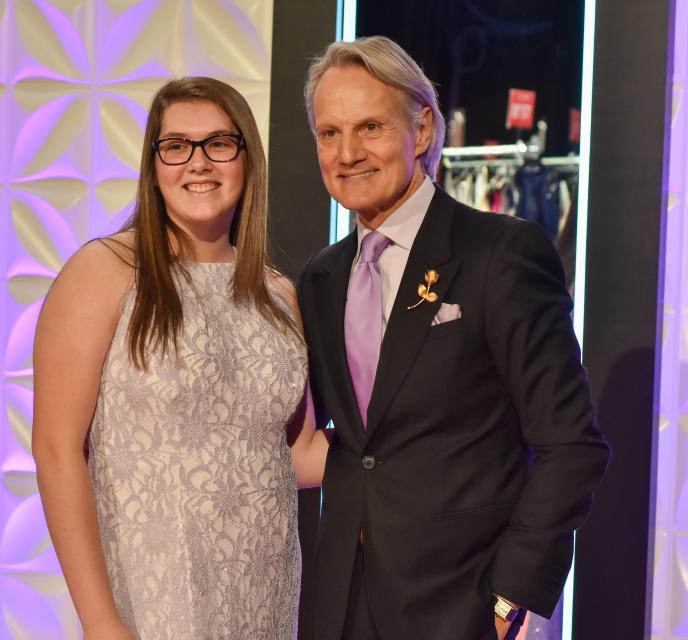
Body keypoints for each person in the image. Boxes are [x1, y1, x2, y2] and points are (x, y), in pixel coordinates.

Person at [295, 37, 610, 640]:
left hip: (464, 603)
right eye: (329, 133)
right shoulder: (320, 277)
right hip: (341, 603)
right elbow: (344, 443)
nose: (348, 152)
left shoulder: (499, 254)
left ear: (419, 131)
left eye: (369, 127)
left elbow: (572, 445)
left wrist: (517, 590)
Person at [32, 76, 329, 640]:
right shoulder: (102, 273)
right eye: (176, 146)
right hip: (153, 595)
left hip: (263, 592)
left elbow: (299, 456)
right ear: (154, 163)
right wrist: (101, 621)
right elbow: (55, 449)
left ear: (247, 159)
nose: (198, 162)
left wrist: (421, 437)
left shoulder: (279, 293)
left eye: (219, 142)